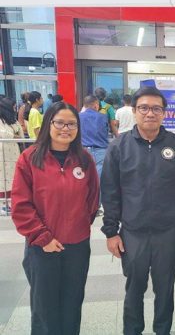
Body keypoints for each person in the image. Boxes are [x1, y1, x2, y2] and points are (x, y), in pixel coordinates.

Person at [101, 86, 175, 335]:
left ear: (164, 113)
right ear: (134, 111)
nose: (150, 113)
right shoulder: (119, 146)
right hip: (132, 232)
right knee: (134, 288)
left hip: (168, 231)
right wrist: (111, 232)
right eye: (144, 108)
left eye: (156, 108)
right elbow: (110, 192)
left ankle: (162, 331)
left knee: (165, 289)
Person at [11, 102, 99, 335]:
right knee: (44, 308)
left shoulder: (85, 159)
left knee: (72, 304)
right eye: (59, 122)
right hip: (42, 247)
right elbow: (20, 204)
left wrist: (78, 225)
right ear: (48, 124)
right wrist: (43, 237)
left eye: (72, 124)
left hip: (77, 246)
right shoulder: (29, 159)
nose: (65, 128)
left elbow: (92, 200)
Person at [80, 95, 109, 178]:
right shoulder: (103, 117)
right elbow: (106, 132)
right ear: (96, 105)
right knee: (99, 179)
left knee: (84, 178)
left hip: (83, 151)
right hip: (101, 151)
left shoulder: (78, 117)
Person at [0, 98, 23, 200]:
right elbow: (5, 134)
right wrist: (14, 135)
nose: (15, 109)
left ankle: (12, 199)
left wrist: (15, 136)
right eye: (13, 107)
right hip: (3, 152)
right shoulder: (1, 121)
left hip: (14, 151)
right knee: (3, 176)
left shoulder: (13, 120)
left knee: (14, 175)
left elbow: (20, 135)